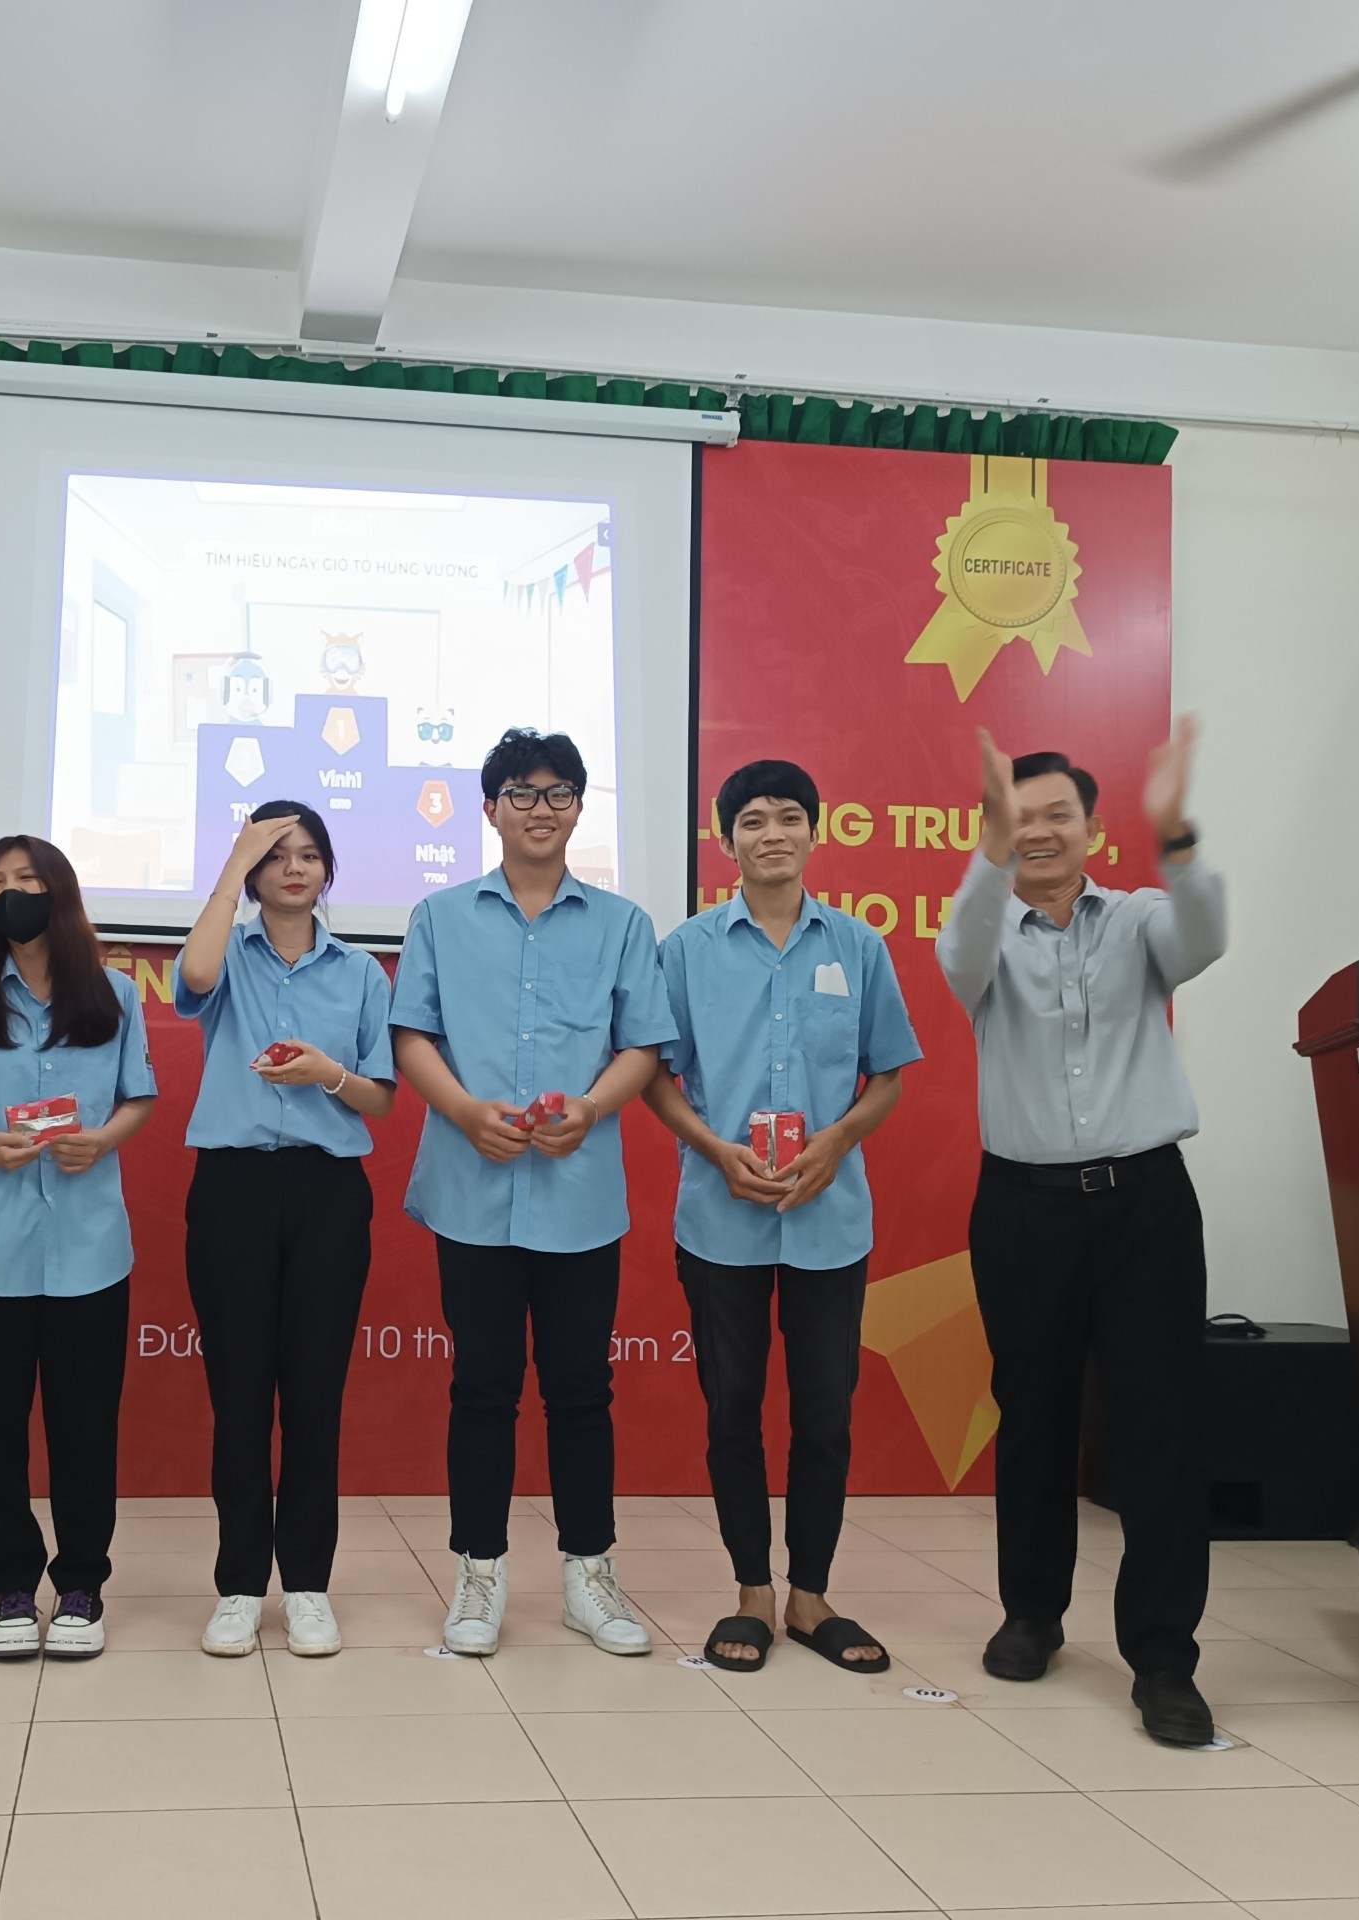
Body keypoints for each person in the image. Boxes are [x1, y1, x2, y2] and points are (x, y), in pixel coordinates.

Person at [934, 719, 1225, 1746]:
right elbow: (958, 956)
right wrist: (987, 851)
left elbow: (1204, 938)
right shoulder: (984, 933)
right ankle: (1032, 1614)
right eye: (1019, 816)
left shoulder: (1141, 920)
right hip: (1023, 1211)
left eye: (1058, 814)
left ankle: (1163, 1659)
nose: (1039, 831)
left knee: (1158, 1431)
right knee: (1034, 1419)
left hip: (1145, 1204)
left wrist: (1176, 830)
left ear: (1093, 829)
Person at [390, 727, 676, 1657]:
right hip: (471, 1190)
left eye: (558, 793)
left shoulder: (624, 924)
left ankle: (591, 1575)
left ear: (579, 808)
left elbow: (642, 1045)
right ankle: (479, 1574)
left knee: (581, 1389)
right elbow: (411, 1037)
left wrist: (591, 1108)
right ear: (490, 808)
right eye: (521, 792)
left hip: (577, 1193)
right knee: (482, 1388)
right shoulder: (439, 915)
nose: (540, 808)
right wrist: (465, 1113)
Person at [643, 759, 921, 1675]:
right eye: (753, 820)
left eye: (789, 816)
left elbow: (887, 1076)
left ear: (815, 830)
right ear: (726, 840)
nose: (772, 833)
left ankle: (812, 1596)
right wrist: (714, 1149)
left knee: (826, 1414)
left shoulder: (858, 946)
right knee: (732, 1410)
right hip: (719, 1216)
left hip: (828, 1219)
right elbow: (655, 1076)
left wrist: (837, 1140)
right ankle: (752, 1593)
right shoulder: (686, 950)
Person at [0, 835, 157, 1662]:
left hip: (91, 1249)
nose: (10, 893)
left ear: (59, 890)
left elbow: (137, 1098)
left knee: (86, 1427)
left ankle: (82, 1585)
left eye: (25, 878)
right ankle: (13, 1587)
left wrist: (104, 1140)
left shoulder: (115, 993)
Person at [176, 801, 397, 1658]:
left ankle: (307, 1585)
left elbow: (380, 1096)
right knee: (237, 1396)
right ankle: (238, 1586)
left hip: (327, 1190)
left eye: (307, 854)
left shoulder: (361, 972)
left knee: (314, 1395)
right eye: (274, 856)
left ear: (328, 869)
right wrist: (232, 865)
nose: (292, 868)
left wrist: (328, 1073)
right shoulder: (229, 951)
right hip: (231, 1187)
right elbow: (194, 978)